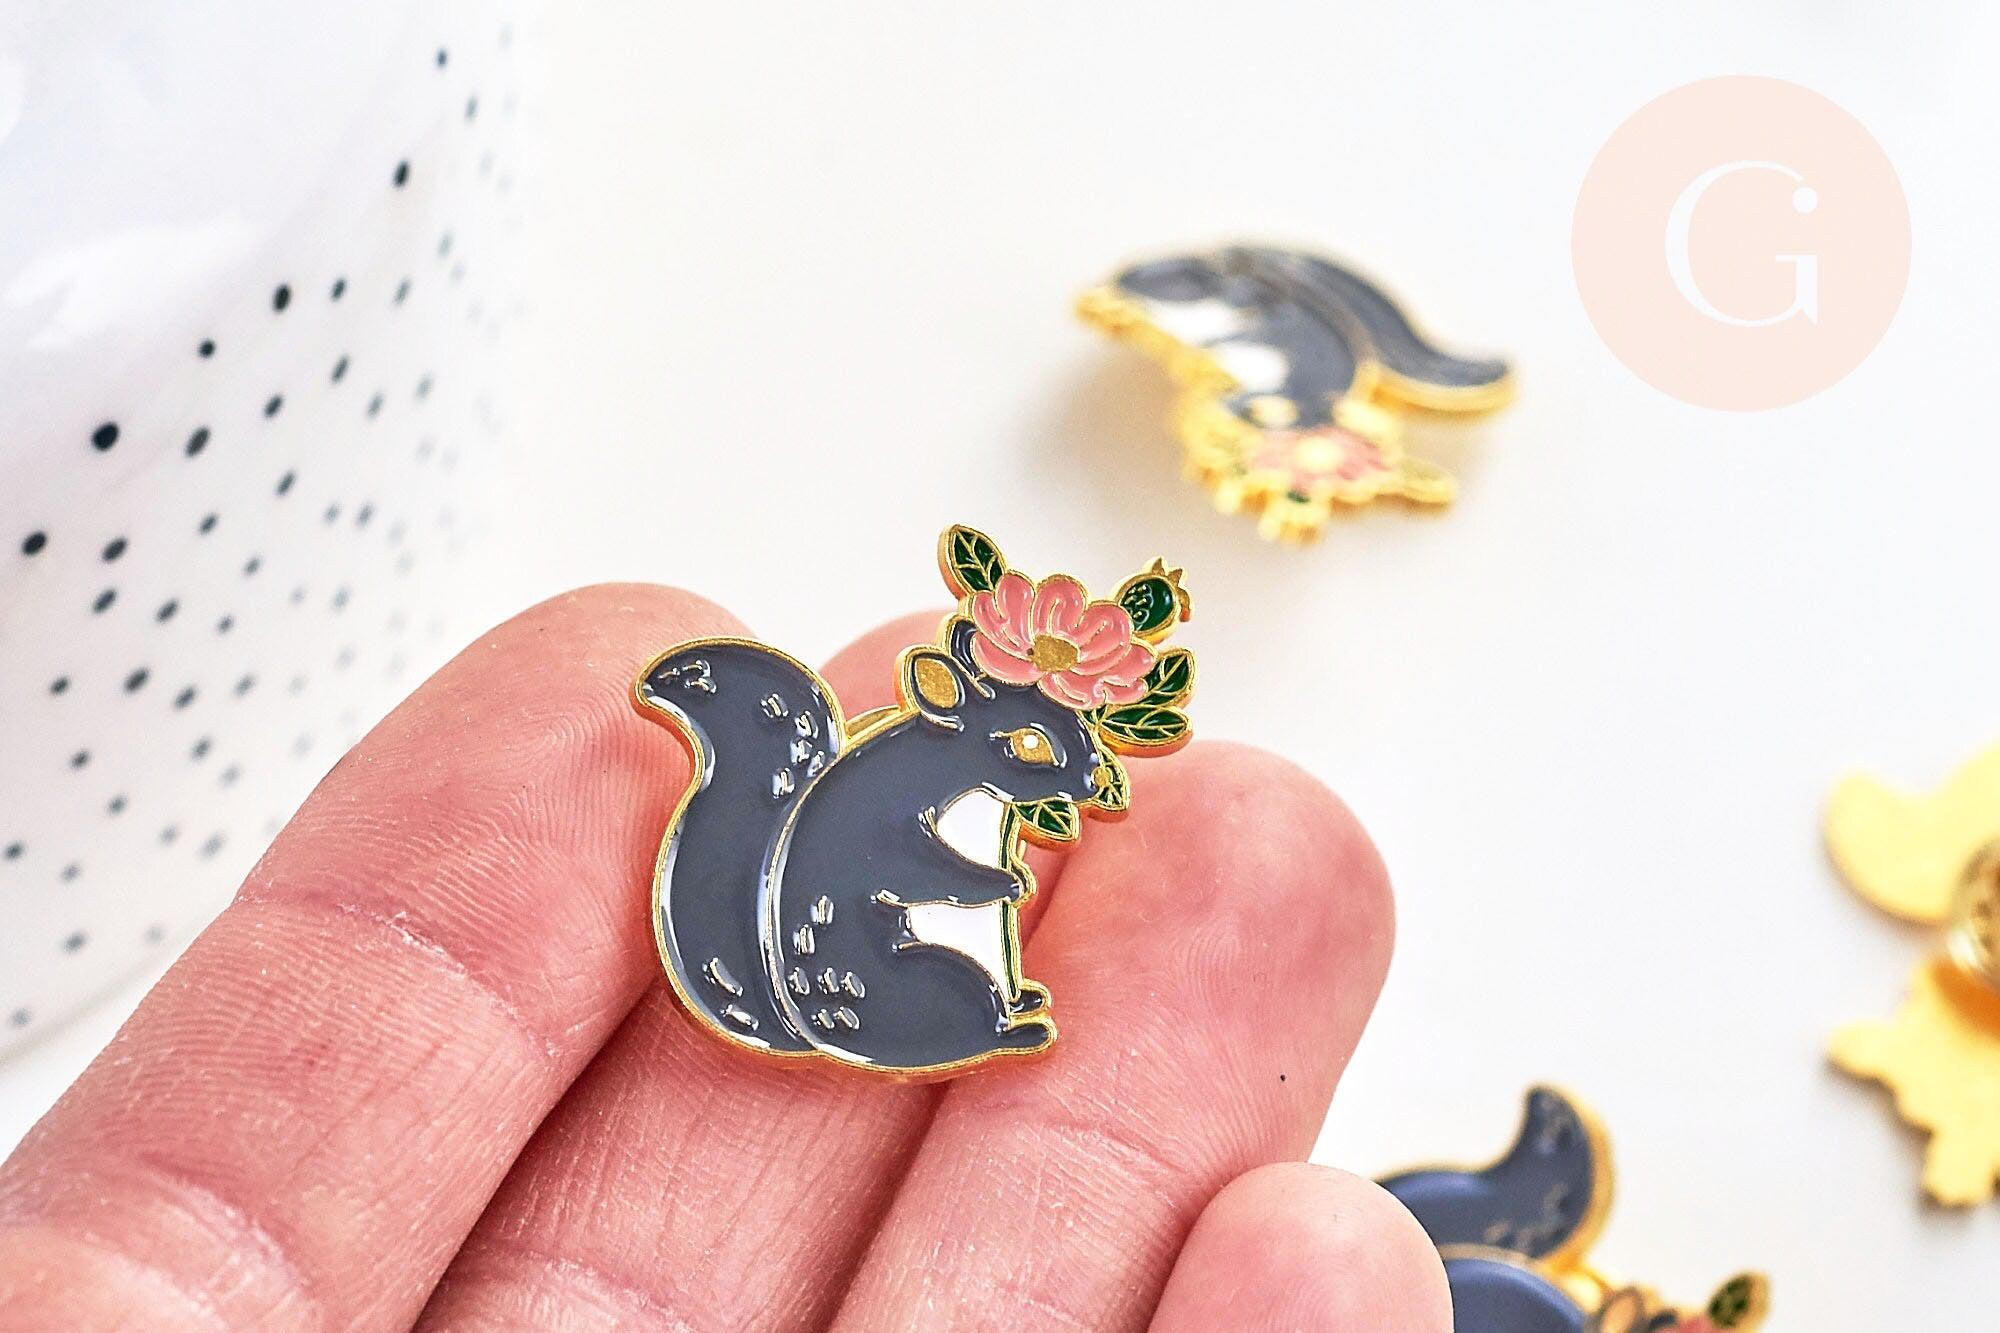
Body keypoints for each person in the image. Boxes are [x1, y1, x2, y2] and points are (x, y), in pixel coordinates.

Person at [0, 586, 1448, 1330]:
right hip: (833, 984)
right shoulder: (912, 776)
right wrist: (979, 885)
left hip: (858, 980)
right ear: (966, 718)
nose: (1064, 784)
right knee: (937, 986)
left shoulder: (955, 773)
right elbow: (894, 865)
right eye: (1037, 755)